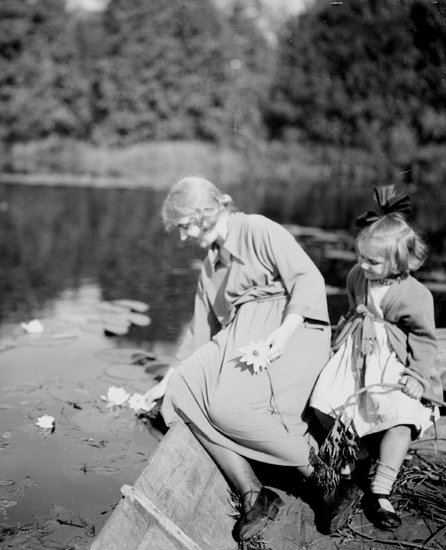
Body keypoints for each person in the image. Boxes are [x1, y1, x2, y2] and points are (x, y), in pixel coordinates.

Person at [142, 176, 333, 541]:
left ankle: (325, 479)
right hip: (241, 340)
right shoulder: (210, 267)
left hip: (289, 331)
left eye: (183, 226)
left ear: (202, 213)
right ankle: (254, 493)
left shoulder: (257, 229)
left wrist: (284, 331)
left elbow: (308, 278)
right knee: (179, 395)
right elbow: (199, 334)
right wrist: (165, 382)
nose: (182, 237)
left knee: (225, 406)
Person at [309, 185, 444, 530]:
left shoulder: (414, 295)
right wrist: (336, 341)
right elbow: (352, 313)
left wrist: (417, 375)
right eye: (361, 257)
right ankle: (355, 459)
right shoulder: (358, 276)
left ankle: (380, 490)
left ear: (398, 262)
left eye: (372, 261)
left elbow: (424, 339)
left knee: (401, 419)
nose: (362, 265)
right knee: (325, 403)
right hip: (358, 354)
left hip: (392, 362)